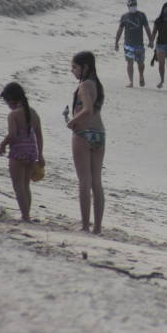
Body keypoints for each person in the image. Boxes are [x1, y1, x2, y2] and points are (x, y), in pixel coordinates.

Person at [67, 51, 105, 234]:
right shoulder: (97, 84)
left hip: (83, 133)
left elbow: (87, 110)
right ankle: (97, 227)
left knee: (84, 180)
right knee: (96, 181)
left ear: (85, 67)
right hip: (99, 133)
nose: (72, 71)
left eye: (74, 67)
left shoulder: (84, 85)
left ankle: (84, 225)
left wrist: (72, 121)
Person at [0, 82, 44, 222]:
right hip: (31, 151)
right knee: (25, 185)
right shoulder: (33, 113)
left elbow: (12, 134)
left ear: (11, 100)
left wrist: (3, 144)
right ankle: (26, 213)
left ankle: (25, 216)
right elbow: (39, 135)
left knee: (18, 186)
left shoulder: (13, 115)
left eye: (7, 102)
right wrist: (40, 154)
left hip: (18, 151)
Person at [115, 0, 153, 88]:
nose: (133, 7)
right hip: (128, 44)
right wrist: (116, 42)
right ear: (128, 6)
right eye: (131, 5)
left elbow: (147, 28)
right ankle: (131, 81)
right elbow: (119, 30)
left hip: (139, 44)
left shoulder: (142, 15)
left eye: (134, 5)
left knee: (140, 63)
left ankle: (141, 75)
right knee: (130, 62)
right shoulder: (124, 17)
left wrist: (151, 40)